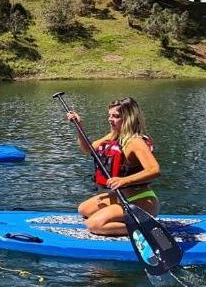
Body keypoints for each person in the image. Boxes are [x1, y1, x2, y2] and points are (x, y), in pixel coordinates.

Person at [66, 97, 160, 236]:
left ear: (129, 118)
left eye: (116, 116)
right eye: (109, 115)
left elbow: (154, 170)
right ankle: (123, 219)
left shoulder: (135, 141)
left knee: (94, 225)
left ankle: (145, 227)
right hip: (119, 197)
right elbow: (88, 149)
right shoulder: (114, 136)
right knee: (84, 209)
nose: (110, 119)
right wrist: (79, 127)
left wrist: (123, 181)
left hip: (141, 201)